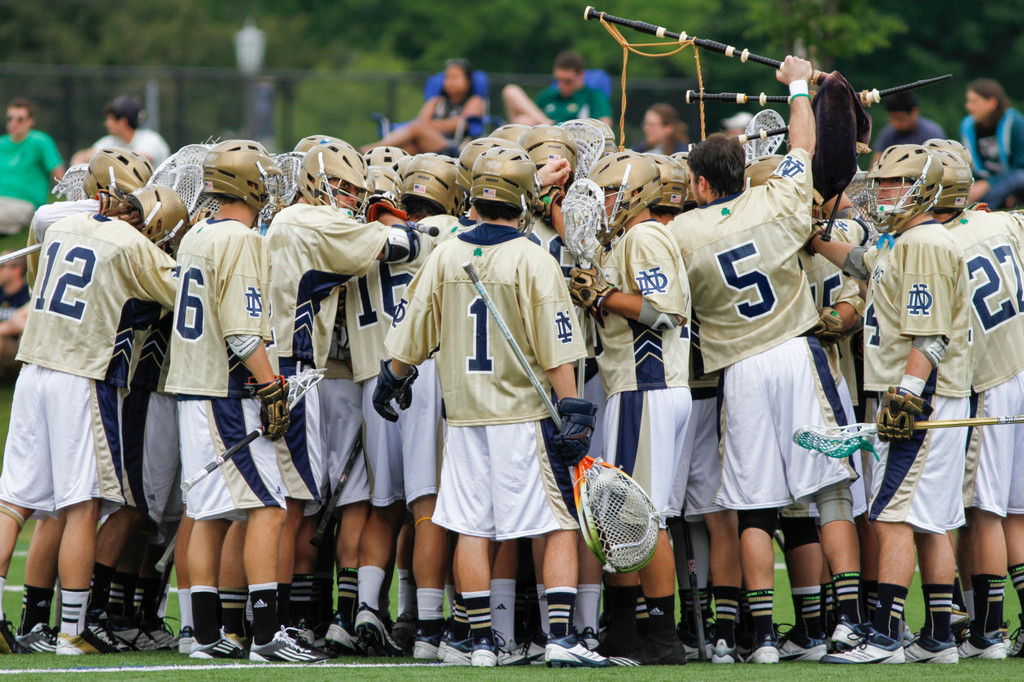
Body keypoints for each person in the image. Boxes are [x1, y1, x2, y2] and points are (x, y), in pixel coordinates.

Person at [377, 146, 611, 668]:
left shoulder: (445, 254)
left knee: (471, 527)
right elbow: (556, 346)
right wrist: (571, 405)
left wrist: (390, 379)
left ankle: (480, 642)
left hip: (463, 417)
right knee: (557, 524)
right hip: (522, 416)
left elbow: (409, 338)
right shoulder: (533, 258)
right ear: (523, 197)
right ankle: (559, 637)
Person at [669, 56, 863, 664]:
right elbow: (803, 140)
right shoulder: (777, 198)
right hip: (799, 353)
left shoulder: (681, 235)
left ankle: (758, 640)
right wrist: (799, 84)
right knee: (827, 493)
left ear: (700, 185)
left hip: (741, 368)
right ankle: (848, 626)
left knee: (753, 504)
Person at [0, 185, 185, 655]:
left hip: (32, 370)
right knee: (82, 504)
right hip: (80, 375)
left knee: (13, 503)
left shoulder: (62, 224)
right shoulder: (134, 246)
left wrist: (99, 207)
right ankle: (72, 632)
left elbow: (42, 213)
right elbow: (185, 290)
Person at [164, 140, 327, 662]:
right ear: (249, 183)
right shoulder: (241, 239)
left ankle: (206, 635)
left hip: (193, 388)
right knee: (271, 509)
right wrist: (273, 387)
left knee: (208, 514)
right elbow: (242, 333)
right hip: (228, 392)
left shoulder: (197, 235)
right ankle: (265, 636)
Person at [811, 145, 970, 664]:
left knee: (891, 515)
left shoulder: (923, 243)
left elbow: (929, 336)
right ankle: (939, 638)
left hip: (918, 395)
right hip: (926, 393)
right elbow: (863, 262)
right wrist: (814, 239)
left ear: (923, 188)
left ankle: (883, 636)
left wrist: (906, 394)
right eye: (878, 183)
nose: (881, 193)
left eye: (892, 183)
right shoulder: (906, 241)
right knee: (929, 517)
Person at [567, 151, 692, 666]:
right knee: (624, 512)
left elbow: (664, 313)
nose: (604, 207)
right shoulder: (630, 238)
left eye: (612, 195)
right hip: (644, 388)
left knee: (642, 515)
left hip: (649, 385)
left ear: (637, 194)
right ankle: (627, 630)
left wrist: (603, 296)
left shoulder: (643, 236)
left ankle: (661, 638)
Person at [362, 59, 484, 155]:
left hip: (454, 148)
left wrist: (430, 126)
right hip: (429, 146)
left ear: (468, 81)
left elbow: (460, 123)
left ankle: (371, 150)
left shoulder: (474, 100)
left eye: (455, 78)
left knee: (416, 128)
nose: (450, 82)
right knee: (408, 148)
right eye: (448, 78)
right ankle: (378, 166)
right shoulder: (436, 101)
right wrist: (431, 127)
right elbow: (422, 121)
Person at [0, 99, 65, 234]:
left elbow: (59, 175)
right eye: (10, 118)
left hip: (24, 202)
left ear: (30, 121)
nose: (14, 123)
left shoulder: (40, 141)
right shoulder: (2, 144)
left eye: (20, 119)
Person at [502, 51, 612, 127]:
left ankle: (551, 126)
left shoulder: (593, 96)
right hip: (541, 142)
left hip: (574, 144)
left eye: (568, 81)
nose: (562, 85)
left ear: (581, 75)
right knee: (511, 92)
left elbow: (605, 124)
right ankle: (550, 125)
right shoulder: (550, 95)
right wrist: (548, 125)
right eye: (559, 80)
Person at [961, 79, 1024, 208]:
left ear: (992, 102)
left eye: (974, 101)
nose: (968, 106)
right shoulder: (968, 127)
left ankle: (982, 208)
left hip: (1011, 179)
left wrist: (988, 183)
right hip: (981, 183)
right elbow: (969, 166)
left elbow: (1020, 167)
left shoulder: (1015, 124)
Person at [71, 96, 170, 167]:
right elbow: (81, 157)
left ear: (123, 122)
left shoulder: (150, 139)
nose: (106, 124)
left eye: (110, 119)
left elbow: (138, 165)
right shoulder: (111, 141)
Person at [870, 91, 946, 164]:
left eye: (900, 119)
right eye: (892, 119)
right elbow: (875, 166)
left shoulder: (932, 134)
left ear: (914, 112)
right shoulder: (888, 135)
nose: (896, 124)